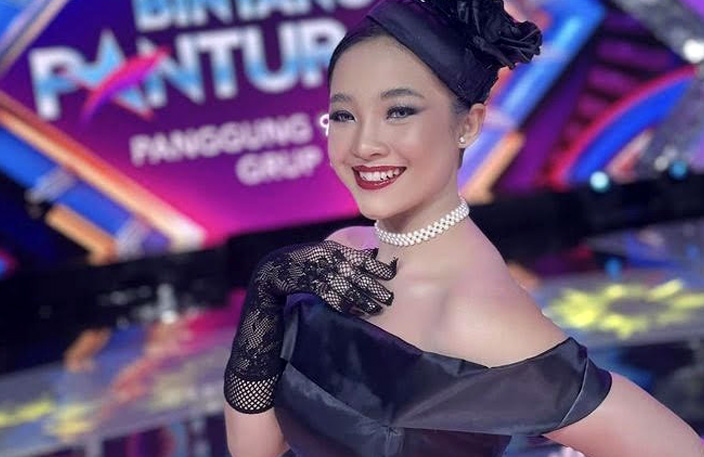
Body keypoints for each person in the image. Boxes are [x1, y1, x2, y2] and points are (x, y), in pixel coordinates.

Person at [223, 0, 704, 455]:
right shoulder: (341, 252)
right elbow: (255, 449)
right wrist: (267, 291)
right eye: (345, 115)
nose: (363, 144)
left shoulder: (482, 318)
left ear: (468, 125)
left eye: (399, 111)